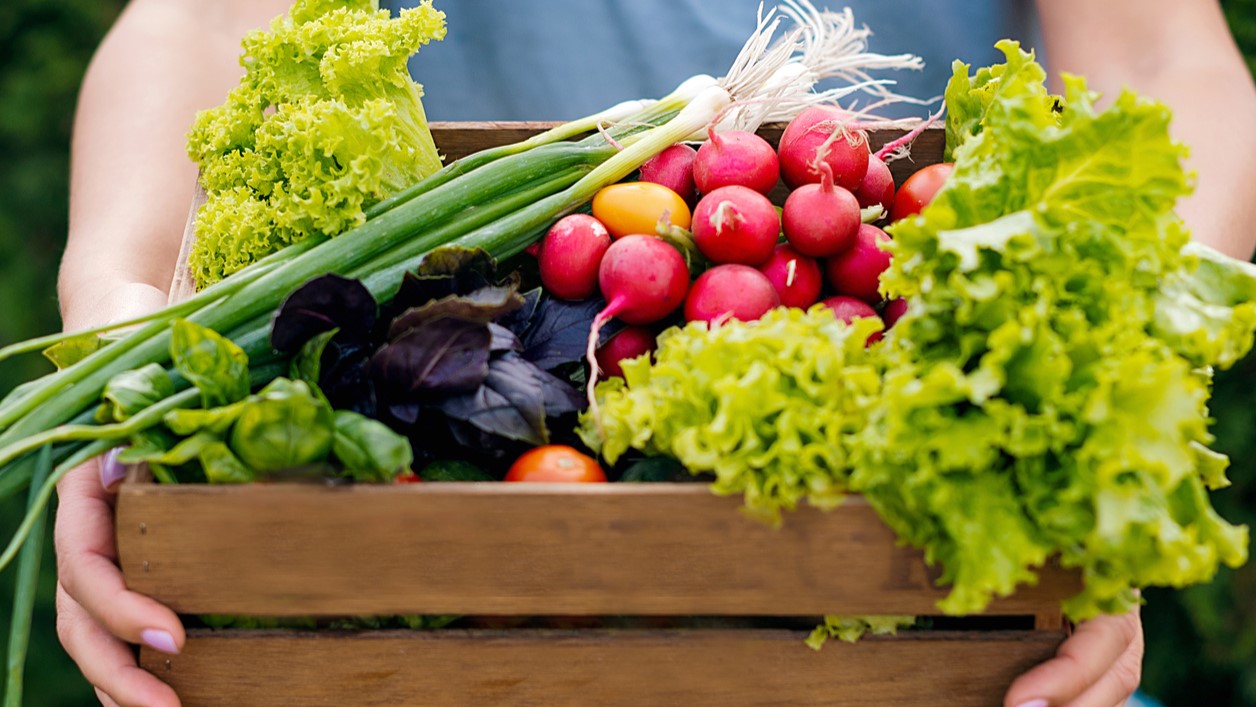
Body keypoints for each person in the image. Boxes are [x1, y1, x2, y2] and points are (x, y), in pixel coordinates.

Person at [55, 1, 1256, 706]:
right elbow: (201, 21)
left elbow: (1160, 61)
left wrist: (1108, 392)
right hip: (437, 623)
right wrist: (117, 329)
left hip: (935, 637)